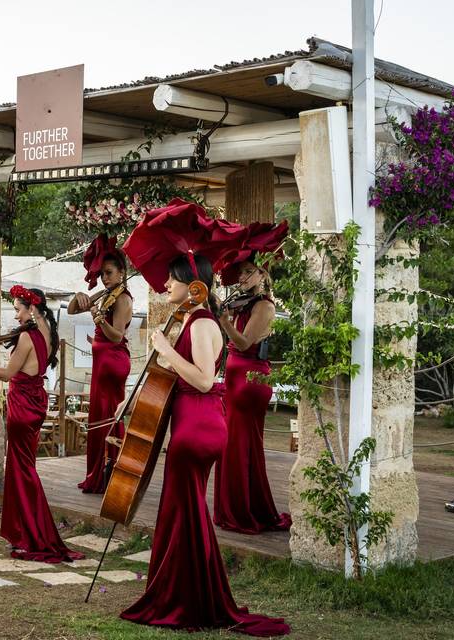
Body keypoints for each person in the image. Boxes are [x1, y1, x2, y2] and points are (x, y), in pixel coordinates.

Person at [120, 254, 289, 636]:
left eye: (170, 281)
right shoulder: (196, 320)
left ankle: (187, 599)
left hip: (197, 425)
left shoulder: (201, 323)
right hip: (198, 420)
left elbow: (200, 379)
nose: (165, 287)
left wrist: (165, 350)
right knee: (186, 512)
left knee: (185, 512)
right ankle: (186, 591)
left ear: (191, 285)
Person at [0, 285, 84, 563]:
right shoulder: (47, 332)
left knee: (21, 471)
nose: (16, 317)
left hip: (23, 406)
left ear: (32, 308)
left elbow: (7, 374)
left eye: (18, 310)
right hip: (36, 401)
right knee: (23, 469)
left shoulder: (27, 337)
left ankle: (33, 536)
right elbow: (28, 369)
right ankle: (29, 533)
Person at [215, 260, 292, 534]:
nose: (243, 277)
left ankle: (244, 511)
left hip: (251, 380)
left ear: (263, 273)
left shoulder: (264, 305)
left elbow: (244, 342)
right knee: (233, 444)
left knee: (241, 446)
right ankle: (235, 508)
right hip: (237, 379)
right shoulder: (244, 303)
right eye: (241, 272)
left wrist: (225, 323)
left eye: (249, 271)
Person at [67, 250, 133, 493]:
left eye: (109, 273)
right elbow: (72, 310)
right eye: (102, 274)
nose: (104, 278)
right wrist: (80, 295)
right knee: (100, 417)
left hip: (112, 362)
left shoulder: (123, 299)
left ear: (122, 273)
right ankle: (100, 472)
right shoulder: (106, 294)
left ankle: (110, 472)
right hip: (103, 363)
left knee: (107, 418)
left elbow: (117, 336)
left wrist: (99, 319)